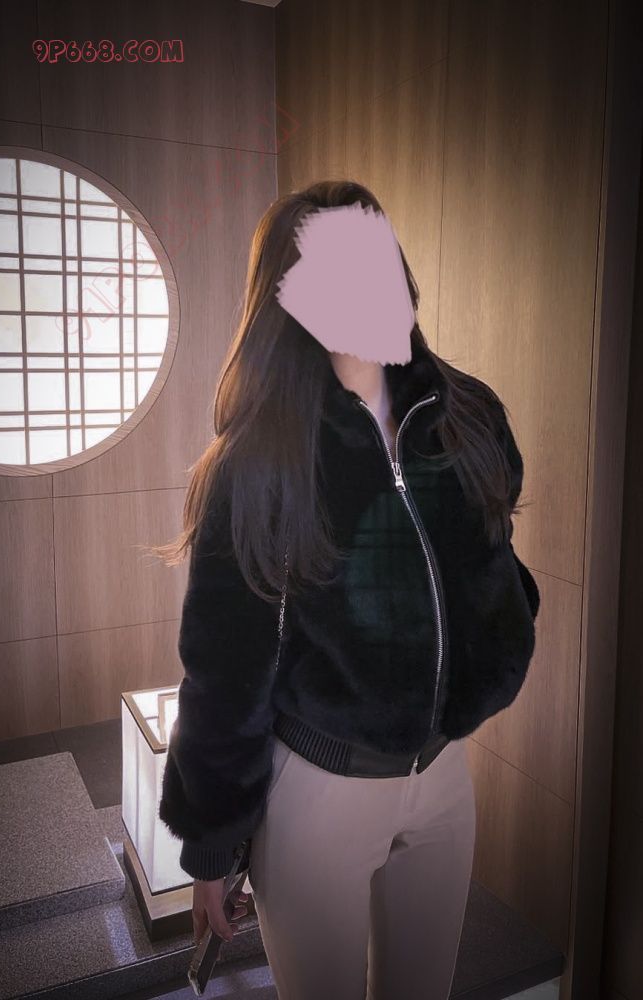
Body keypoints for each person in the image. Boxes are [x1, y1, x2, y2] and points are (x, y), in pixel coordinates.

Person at [155, 180, 541, 1000]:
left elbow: (494, 559)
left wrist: (503, 633)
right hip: (318, 790)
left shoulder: (466, 414)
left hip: (442, 777)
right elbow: (223, 670)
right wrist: (213, 845)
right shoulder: (256, 462)